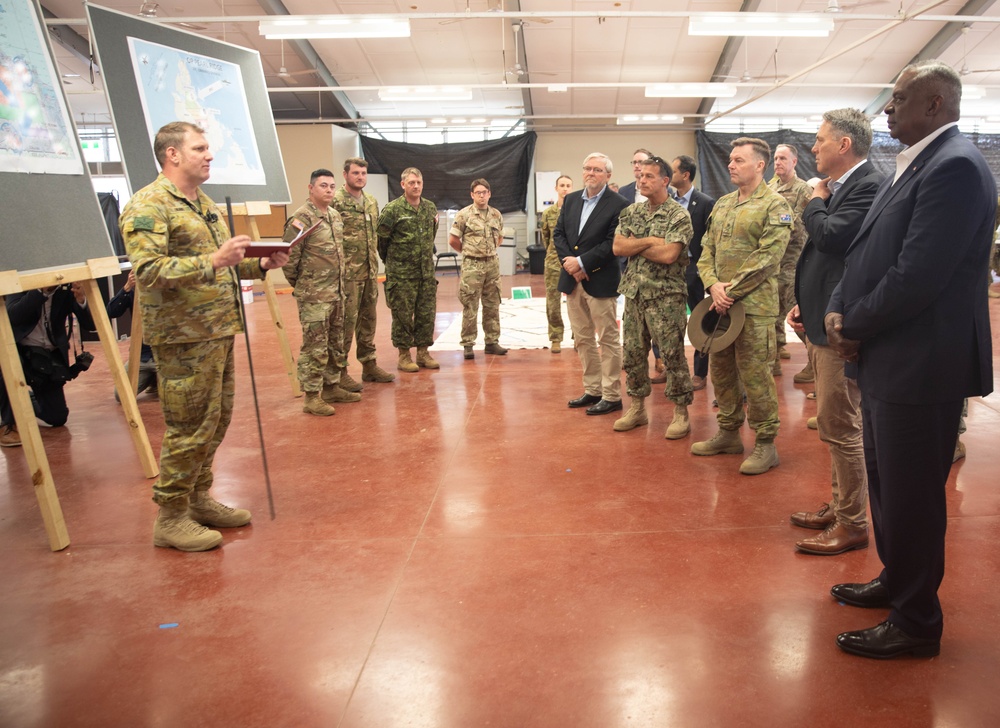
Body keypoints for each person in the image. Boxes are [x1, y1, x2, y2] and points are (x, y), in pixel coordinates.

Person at [826, 61, 995, 659]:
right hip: (890, 356)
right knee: (888, 485)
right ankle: (897, 582)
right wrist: (842, 309)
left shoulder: (955, 168)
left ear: (935, 104)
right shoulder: (915, 162)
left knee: (914, 497)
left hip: (923, 363)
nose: (886, 111)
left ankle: (917, 621)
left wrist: (854, 324)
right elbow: (867, 249)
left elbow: (919, 275)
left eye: (898, 100)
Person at [119, 120, 289, 552]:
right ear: (172, 154)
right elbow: (149, 272)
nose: (209, 154)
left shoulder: (202, 203)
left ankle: (198, 498)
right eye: (200, 148)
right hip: (182, 338)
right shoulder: (150, 205)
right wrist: (215, 258)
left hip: (216, 330)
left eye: (208, 147)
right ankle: (170, 517)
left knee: (215, 421)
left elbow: (223, 266)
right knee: (189, 426)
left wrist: (260, 264)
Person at [786, 108, 883, 556]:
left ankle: (852, 522)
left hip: (842, 327)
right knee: (832, 422)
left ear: (844, 145)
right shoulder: (844, 187)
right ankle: (841, 504)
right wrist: (807, 305)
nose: (813, 148)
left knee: (842, 425)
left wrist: (814, 201)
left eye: (820, 140)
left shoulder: (867, 187)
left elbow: (832, 239)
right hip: (825, 316)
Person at [692, 137, 792, 475]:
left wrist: (729, 291)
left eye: (738, 160)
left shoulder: (775, 205)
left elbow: (768, 258)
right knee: (721, 372)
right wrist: (712, 284)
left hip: (754, 308)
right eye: (730, 160)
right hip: (719, 306)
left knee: (756, 376)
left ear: (760, 165)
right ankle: (729, 433)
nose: (730, 165)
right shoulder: (722, 204)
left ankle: (766, 444)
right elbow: (705, 250)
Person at [612, 157, 694, 438]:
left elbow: (670, 254)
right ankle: (637, 408)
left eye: (649, 176)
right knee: (633, 354)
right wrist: (649, 241)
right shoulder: (631, 212)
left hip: (666, 297)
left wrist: (636, 243)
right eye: (640, 175)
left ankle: (681, 412)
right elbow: (618, 247)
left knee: (672, 356)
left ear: (665, 181)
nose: (642, 180)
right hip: (634, 294)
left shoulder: (678, 215)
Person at [553, 152, 629, 415]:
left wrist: (583, 263)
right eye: (587, 168)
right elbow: (559, 234)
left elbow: (612, 244)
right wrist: (571, 264)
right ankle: (593, 389)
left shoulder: (619, 204)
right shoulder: (572, 199)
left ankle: (611, 395)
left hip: (601, 281)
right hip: (573, 281)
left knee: (607, 339)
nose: (590, 174)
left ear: (608, 175)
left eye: (597, 170)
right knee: (583, 339)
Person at [283, 168, 361, 416]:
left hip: (336, 293)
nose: (328, 190)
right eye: (323, 186)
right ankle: (312, 396)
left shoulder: (335, 216)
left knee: (335, 343)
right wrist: (306, 286)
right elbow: (287, 259)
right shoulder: (301, 218)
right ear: (310, 188)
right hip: (314, 296)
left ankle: (331, 387)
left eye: (331, 186)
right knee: (315, 346)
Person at [0, 283, 95, 449]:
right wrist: (40, 291)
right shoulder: (19, 281)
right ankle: (7, 424)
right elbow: (12, 316)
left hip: (48, 358)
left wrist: (81, 299)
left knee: (57, 418)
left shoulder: (66, 287)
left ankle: (25, 400)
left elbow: (90, 325)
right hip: (20, 351)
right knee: (5, 366)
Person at [331, 157, 396, 386]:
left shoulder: (370, 201)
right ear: (345, 174)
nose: (360, 177)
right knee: (345, 324)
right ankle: (339, 373)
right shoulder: (336, 201)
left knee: (368, 321)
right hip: (347, 275)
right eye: (356, 173)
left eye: (363, 173)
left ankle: (369, 365)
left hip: (369, 272)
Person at [377, 167, 440, 372]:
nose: (416, 186)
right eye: (411, 182)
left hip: (425, 273)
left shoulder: (430, 208)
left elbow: (431, 235)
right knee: (403, 315)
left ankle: (423, 353)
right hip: (401, 274)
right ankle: (404, 355)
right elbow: (382, 242)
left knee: (426, 314)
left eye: (419, 182)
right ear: (403, 185)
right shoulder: (392, 210)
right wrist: (395, 264)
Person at [671, 155, 716, 391]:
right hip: (670, 270)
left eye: (674, 170)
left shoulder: (705, 202)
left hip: (694, 269)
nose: (670, 174)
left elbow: (710, 240)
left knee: (701, 320)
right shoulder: (667, 201)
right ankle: (672, 368)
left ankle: (700, 372)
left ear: (685, 175)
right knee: (669, 320)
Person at [449, 179, 507, 360]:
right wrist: (469, 253)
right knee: (470, 305)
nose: (481, 195)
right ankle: (468, 344)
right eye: (478, 192)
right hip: (472, 266)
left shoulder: (496, 215)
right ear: (472, 195)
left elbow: (500, 238)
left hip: (492, 265)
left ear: (489, 194)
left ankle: (491, 342)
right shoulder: (464, 215)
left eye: (484, 192)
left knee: (492, 305)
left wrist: (487, 252)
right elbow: (453, 240)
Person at [768, 143, 812, 375]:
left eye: (783, 158)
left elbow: (796, 227)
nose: (778, 162)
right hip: (774, 262)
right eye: (775, 158)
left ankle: (815, 363)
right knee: (772, 313)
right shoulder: (769, 187)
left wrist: (773, 221)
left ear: (794, 162)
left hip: (794, 263)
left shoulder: (803, 190)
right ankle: (774, 360)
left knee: (798, 315)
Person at [107, 270, 158, 401]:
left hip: (164, 356)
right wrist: (127, 287)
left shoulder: (168, 289)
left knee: (176, 395)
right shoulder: (135, 292)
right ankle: (152, 378)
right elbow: (112, 312)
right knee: (121, 395)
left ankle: (156, 380)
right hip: (142, 356)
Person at [539, 175, 573, 353]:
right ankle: (556, 337)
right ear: (556, 188)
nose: (565, 189)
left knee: (577, 301)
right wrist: (553, 254)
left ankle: (578, 335)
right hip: (553, 263)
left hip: (573, 262)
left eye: (568, 185)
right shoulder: (548, 214)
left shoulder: (576, 211)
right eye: (562, 185)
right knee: (553, 302)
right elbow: (546, 238)